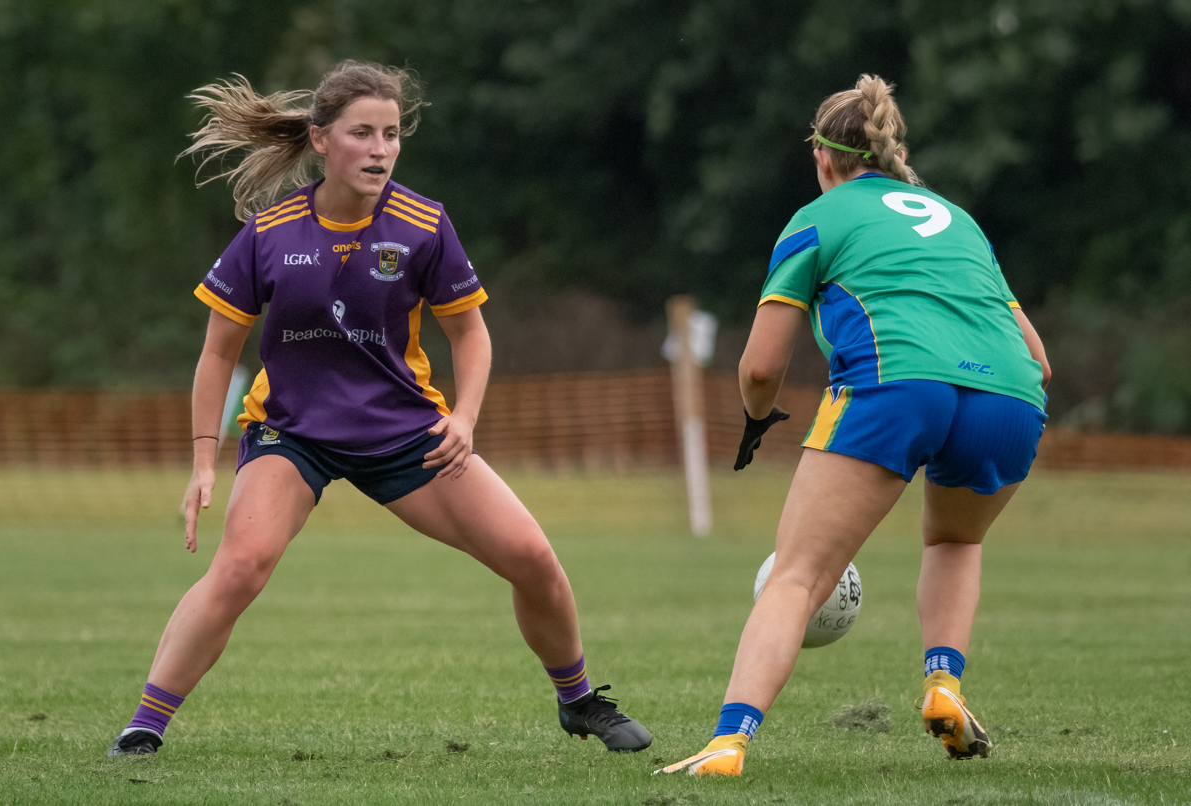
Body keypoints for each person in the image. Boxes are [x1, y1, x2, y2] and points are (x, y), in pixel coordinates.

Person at [108, 60, 650, 757]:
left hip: (403, 432)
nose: (380, 149)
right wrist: (201, 462)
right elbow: (217, 354)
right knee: (240, 568)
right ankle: (144, 728)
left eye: (391, 134)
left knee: (532, 557)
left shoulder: (423, 225)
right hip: (292, 433)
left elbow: (470, 333)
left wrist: (464, 417)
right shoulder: (269, 233)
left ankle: (578, 702)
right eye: (362, 133)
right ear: (320, 141)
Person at [658, 74, 1050, 776]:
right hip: (1009, 397)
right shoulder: (956, 219)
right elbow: (1037, 359)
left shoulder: (818, 218)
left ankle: (727, 741)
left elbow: (758, 369)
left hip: (896, 384)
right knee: (956, 540)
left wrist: (754, 422)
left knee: (796, 578)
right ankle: (942, 685)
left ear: (821, 158)